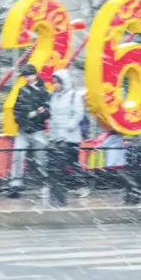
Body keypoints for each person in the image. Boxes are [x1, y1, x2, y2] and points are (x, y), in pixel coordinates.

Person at [6, 64, 51, 199]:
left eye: (28, 75)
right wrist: (28, 117)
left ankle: (46, 185)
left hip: (38, 130)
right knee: (17, 156)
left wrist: (33, 116)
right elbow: (16, 110)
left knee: (41, 158)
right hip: (23, 130)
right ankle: (15, 184)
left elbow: (47, 112)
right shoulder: (22, 90)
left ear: (35, 75)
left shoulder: (44, 92)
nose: (26, 78)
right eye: (25, 75)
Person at [47, 68, 87, 206]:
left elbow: (79, 114)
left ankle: (79, 186)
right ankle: (59, 192)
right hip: (56, 137)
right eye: (53, 83)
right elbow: (53, 116)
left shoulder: (73, 96)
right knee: (59, 165)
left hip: (70, 138)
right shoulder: (53, 97)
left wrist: (68, 127)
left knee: (71, 163)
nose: (55, 85)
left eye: (57, 82)